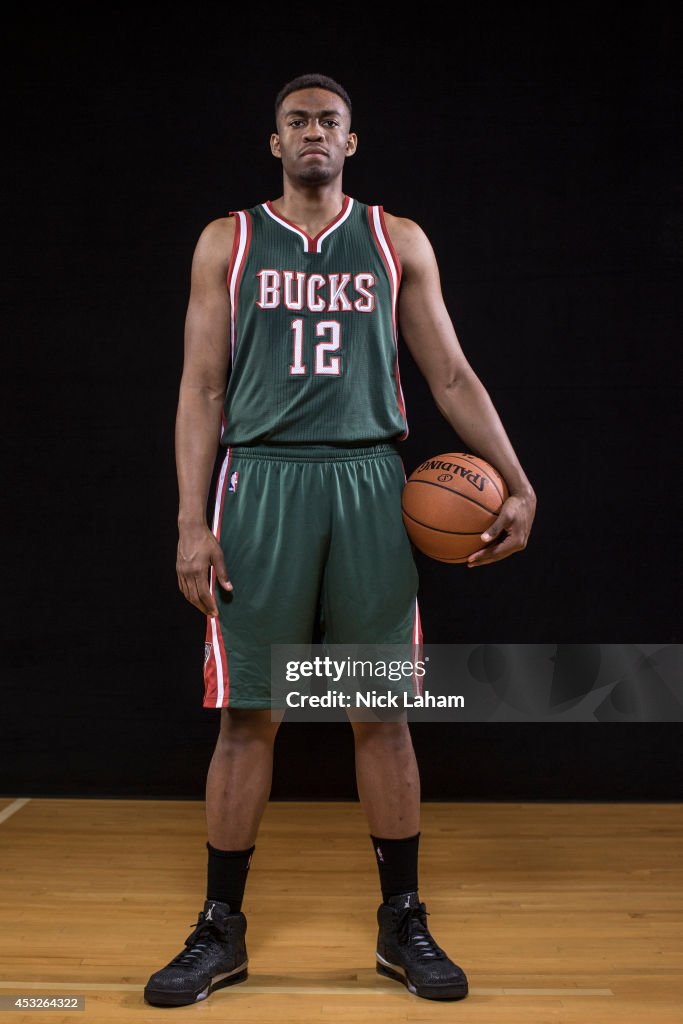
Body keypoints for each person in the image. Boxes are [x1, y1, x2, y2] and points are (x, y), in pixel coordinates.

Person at [143, 73, 536, 1007]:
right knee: (249, 714)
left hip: (368, 484)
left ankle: (401, 919)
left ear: (351, 143)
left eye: (329, 122)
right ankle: (219, 928)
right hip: (261, 482)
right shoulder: (226, 242)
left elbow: (448, 374)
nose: (313, 133)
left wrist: (517, 481)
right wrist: (191, 519)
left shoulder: (395, 240)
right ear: (273, 142)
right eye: (296, 121)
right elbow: (201, 388)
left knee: (379, 712)